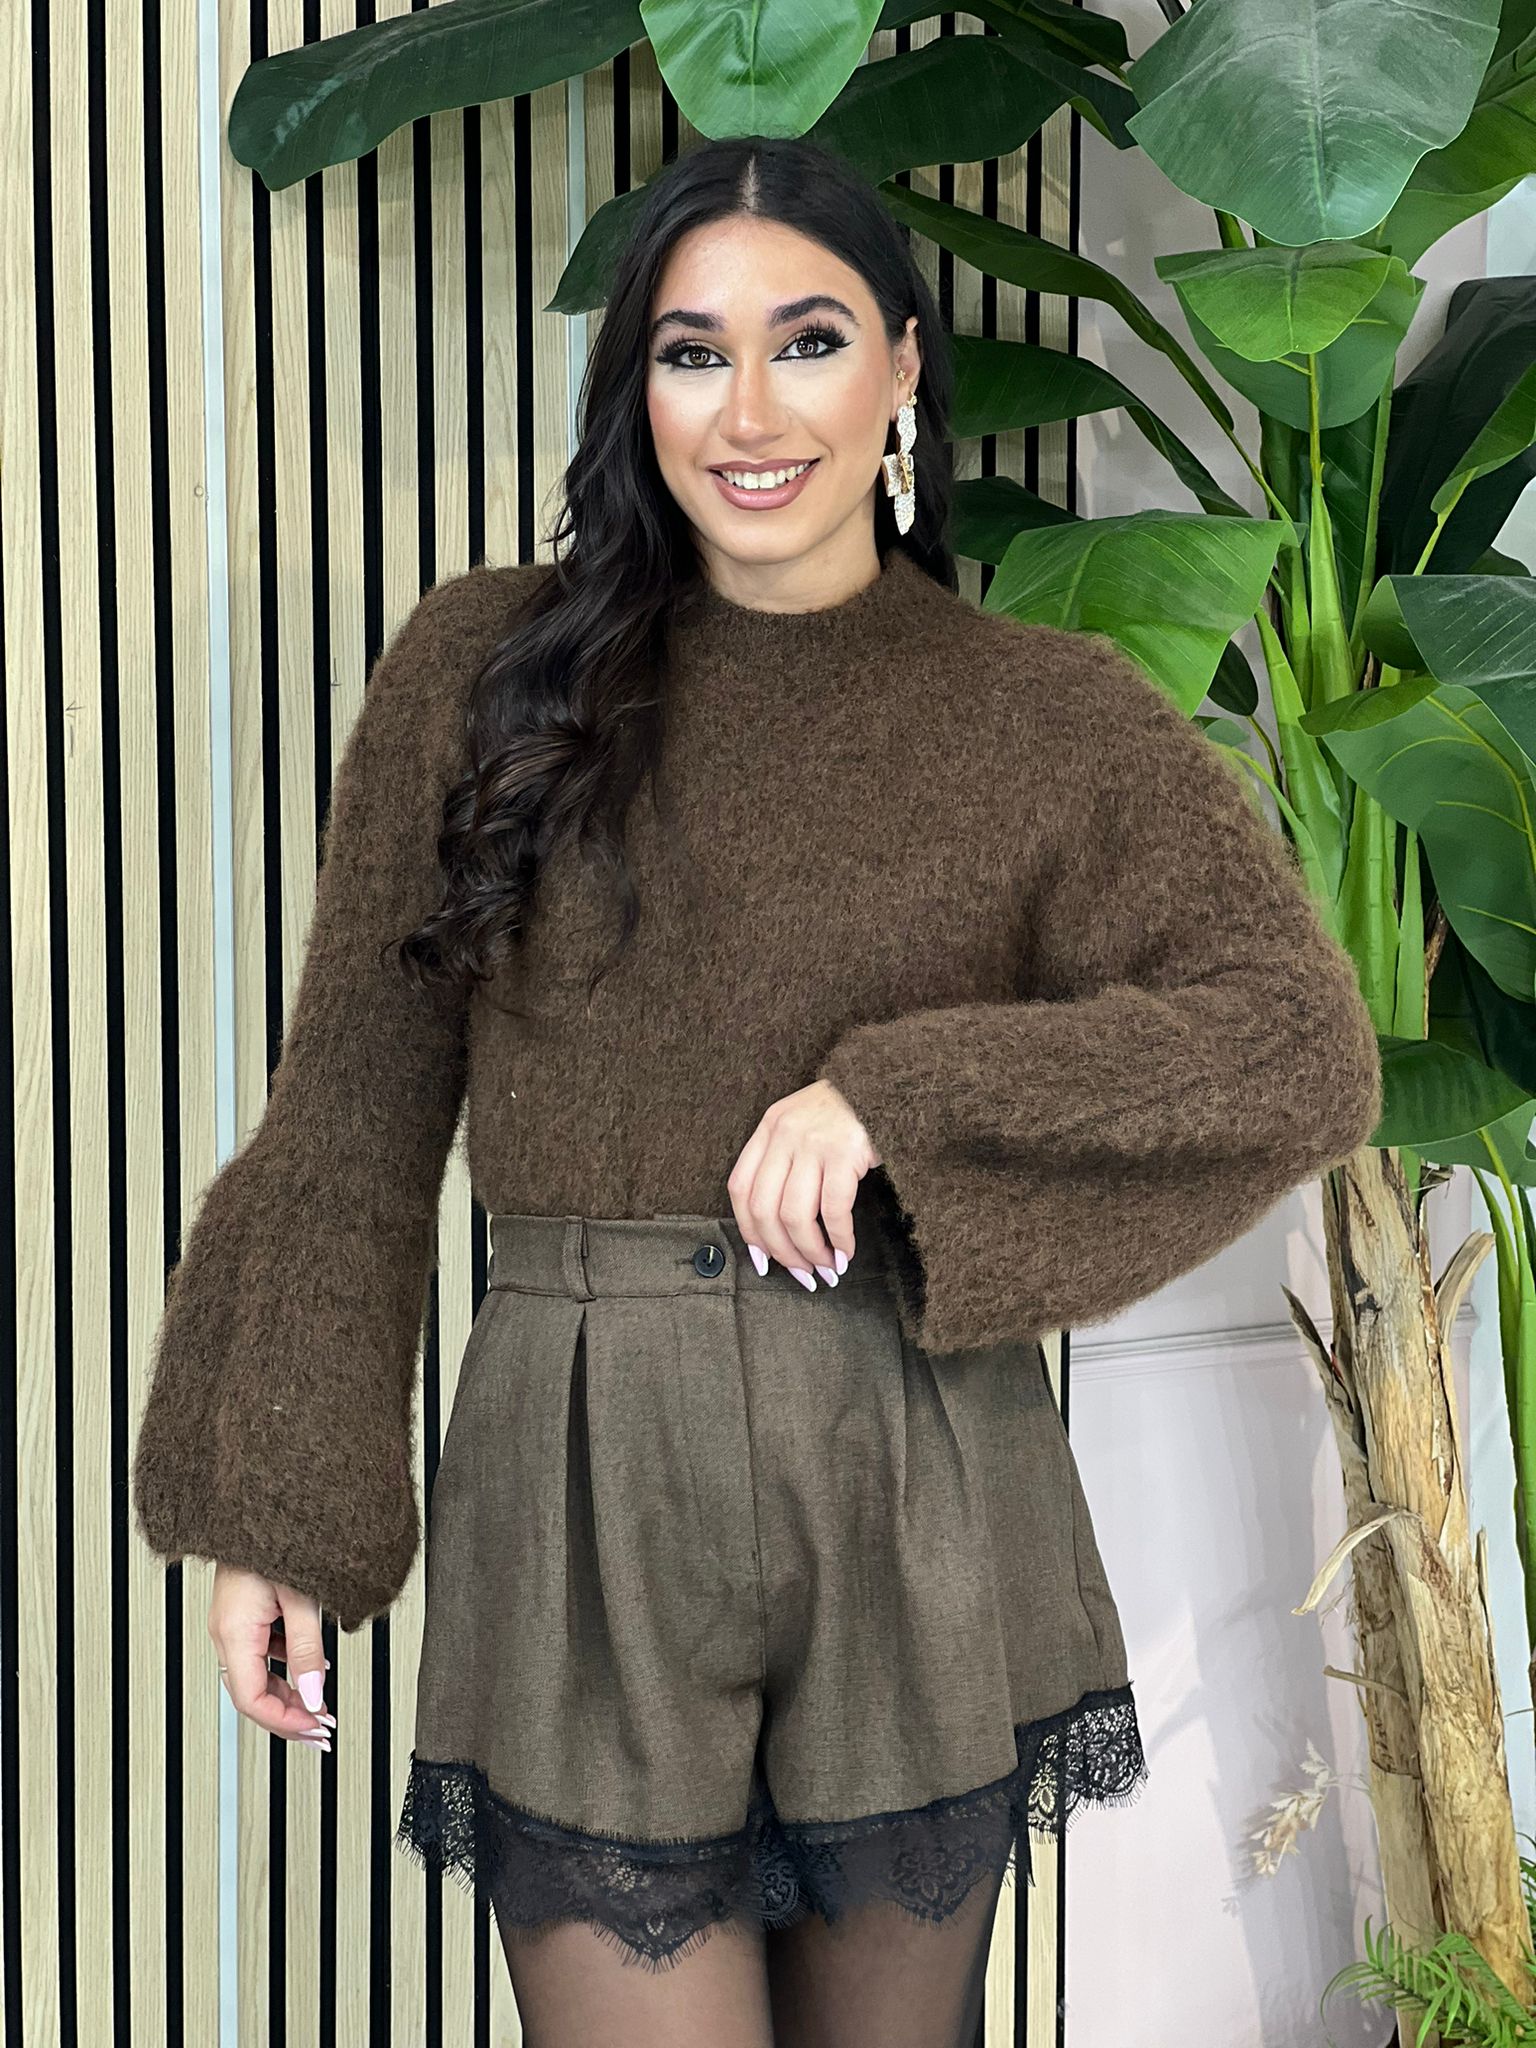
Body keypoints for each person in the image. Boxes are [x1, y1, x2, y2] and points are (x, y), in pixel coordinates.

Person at [131, 132, 1382, 2045]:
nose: (749, 411)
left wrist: (894, 1099)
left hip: (909, 1460)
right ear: (635, 392)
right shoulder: (490, 674)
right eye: (691, 353)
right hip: (584, 1465)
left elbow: (1297, 1042)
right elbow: (353, 1117)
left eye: (807, 342)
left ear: (901, 367)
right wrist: (279, 1512)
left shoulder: (1044, 716)